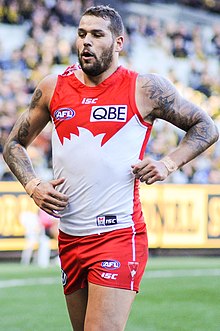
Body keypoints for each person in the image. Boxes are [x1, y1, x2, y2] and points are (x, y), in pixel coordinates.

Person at [3, 5, 219, 331]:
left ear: (119, 42)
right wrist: (33, 185)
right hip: (70, 237)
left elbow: (205, 127)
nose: (85, 42)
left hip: (117, 235)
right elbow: (13, 145)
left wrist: (168, 162)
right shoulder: (52, 87)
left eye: (97, 35)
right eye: (81, 34)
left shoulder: (144, 89)